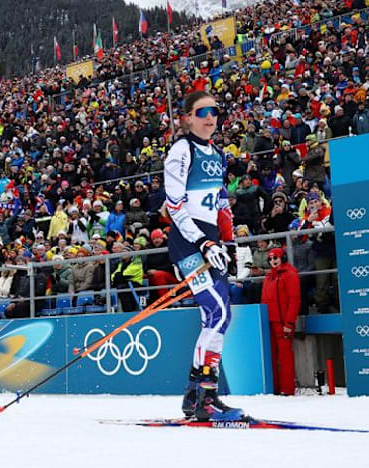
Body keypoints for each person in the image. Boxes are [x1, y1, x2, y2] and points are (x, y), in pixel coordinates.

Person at [164, 91, 242, 421]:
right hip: (188, 242)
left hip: (210, 241)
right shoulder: (181, 151)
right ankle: (205, 396)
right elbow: (175, 206)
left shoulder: (218, 153)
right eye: (202, 111)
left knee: (217, 317)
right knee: (218, 311)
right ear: (187, 118)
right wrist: (202, 243)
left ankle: (196, 396)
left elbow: (221, 202)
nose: (210, 117)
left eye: (214, 111)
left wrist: (228, 241)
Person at [260, 247, 300, 396]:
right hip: (269, 322)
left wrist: (289, 323)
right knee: (270, 357)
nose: (273, 261)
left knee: (285, 357)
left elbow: (294, 300)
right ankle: (274, 388)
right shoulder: (268, 277)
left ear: (282, 258)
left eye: (275, 258)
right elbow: (264, 299)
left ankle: (287, 389)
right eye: (270, 259)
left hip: (283, 323)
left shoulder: (290, 275)